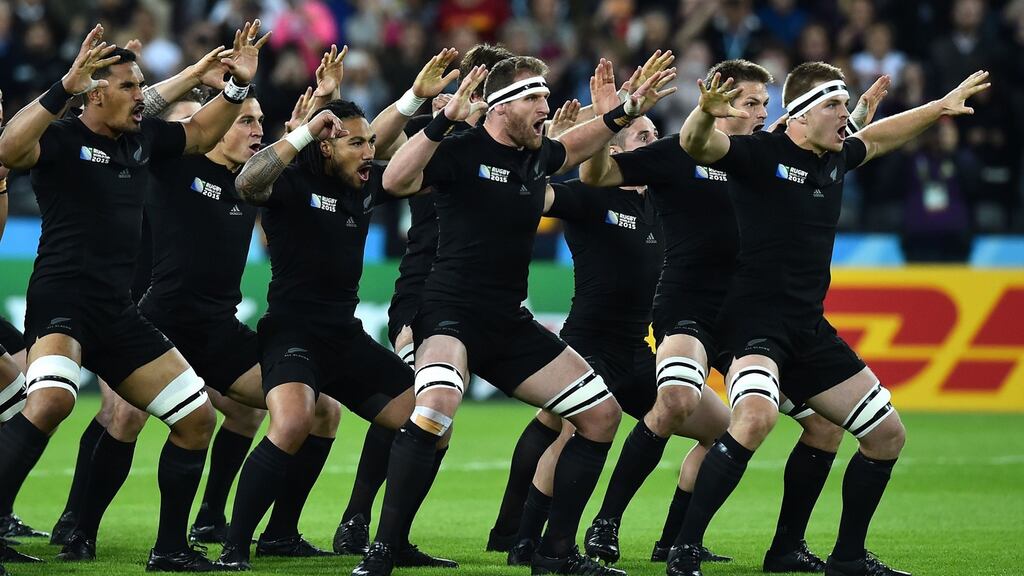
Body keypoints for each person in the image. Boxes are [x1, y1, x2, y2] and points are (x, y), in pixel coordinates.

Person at [669, 62, 989, 576]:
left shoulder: (835, 159)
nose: (848, 115)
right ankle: (683, 549)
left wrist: (938, 106)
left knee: (885, 435)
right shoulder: (759, 153)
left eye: (845, 105)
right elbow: (696, 146)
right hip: (753, 326)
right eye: (835, 106)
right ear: (798, 115)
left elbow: (881, 138)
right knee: (752, 419)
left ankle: (837, 556)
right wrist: (704, 115)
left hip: (807, 329)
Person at [362, 55, 674, 576]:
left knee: (601, 416)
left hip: (507, 319)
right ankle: (384, 549)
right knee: (436, 405)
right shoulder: (460, 149)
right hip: (450, 311)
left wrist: (622, 114)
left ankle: (554, 555)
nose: (546, 107)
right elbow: (394, 180)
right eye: (534, 98)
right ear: (503, 106)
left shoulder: (536, 157)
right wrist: (440, 123)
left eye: (546, 98)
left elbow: (576, 146)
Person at [580, 60, 888, 571]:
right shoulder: (680, 152)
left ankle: (767, 546)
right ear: (718, 102)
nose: (760, 112)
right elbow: (597, 176)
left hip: (749, 313)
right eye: (749, 102)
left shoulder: (768, 155)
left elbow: (827, 141)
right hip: (689, 306)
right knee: (677, 398)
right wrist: (608, 123)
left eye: (765, 103)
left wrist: (850, 115)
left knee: (825, 426)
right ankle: (606, 523)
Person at [0, 21, 266, 571]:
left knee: (196, 421)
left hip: (117, 312)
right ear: (94, 93)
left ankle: (169, 548)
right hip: (62, 302)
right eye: (128, 87)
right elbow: (7, 146)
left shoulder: (141, 141)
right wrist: (62, 88)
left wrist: (234, 91)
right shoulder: (62, 137)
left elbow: (198, 134)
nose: (141, 98)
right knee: (50, 400)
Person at [217, 48, 465, 572]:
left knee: (430, 423)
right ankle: (235, 547)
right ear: (326, 147)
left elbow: (381, 136)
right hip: (292, 332)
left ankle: (387, 541)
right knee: (292, 423)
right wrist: (304, 131)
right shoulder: (293, 183)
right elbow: (247, 182)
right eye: (358, 143)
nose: (370, 152)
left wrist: (416, 97)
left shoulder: (363, 187)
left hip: (343, 337)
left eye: (372, 143)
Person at [333, 42, 516, 557]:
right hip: (423, 296)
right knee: (418, 409)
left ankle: (392, 534)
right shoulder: (432, 142)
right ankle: (357, 522)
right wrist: (424, 105)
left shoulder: (507, 151)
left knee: (430, 416)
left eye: (483, 90)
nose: (471, 99)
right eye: (465, 87)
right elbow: (377, 154)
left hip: (479, 301)